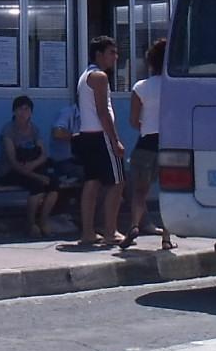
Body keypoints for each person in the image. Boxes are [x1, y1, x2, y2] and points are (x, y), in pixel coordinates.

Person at [70, 35, 126, 249]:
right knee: (118, 182)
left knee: (92, 183)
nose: (115, 57)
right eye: (111, 52)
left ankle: (88, 233)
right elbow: (103, 112)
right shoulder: (99, 77)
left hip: (87, 135)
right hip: (101, 135)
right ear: (99, 54)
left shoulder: (84, 76)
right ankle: (110, 231)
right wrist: (115, 140)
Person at [120, 38, 174, 250]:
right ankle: (167, 237)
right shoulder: (174, 86)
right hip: (170, 143)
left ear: (150, 62)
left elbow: (133, 121)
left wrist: (145, 125)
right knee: (168, 191)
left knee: (139, 191)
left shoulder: (140, 87)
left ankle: (134, 226)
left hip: (146, 142)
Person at [0, 95, 61, 237]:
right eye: (19, 109)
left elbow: (43, 154)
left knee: (54, 183)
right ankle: (30, 223)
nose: (23, 113)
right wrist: (36, 175)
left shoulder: (34, 129)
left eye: (26, 109)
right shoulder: (8, 130)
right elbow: (12, 161)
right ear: (14, 112)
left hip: (32, 167)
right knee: (37, 186)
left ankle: (43, 220)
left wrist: (34, 165)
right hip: (11, 171)